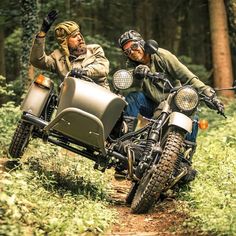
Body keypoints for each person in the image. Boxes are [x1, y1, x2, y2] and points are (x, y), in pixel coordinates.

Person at [117, 30, 224, 142]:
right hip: (153, 105)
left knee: (193, 119)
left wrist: (208, 93)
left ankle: (185, 152)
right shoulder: (131, 64)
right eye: (127, 51)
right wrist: (136, 72)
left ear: (142, 43)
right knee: (133, 98)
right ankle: (125, 140)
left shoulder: (163, 56)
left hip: (175, 103)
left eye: (134, 46)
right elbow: (126, 78)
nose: (132, 52)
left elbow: (188, 77)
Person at [30, 10, 109, 88]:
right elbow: (37, 60)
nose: (80, 38)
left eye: (79, 34)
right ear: (65, 42)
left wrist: (84, 72)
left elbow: (103, 68)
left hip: (100, 97)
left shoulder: (94, 49)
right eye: (74, 36)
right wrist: (42, 33)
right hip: (73, 98)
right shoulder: (57, 57)